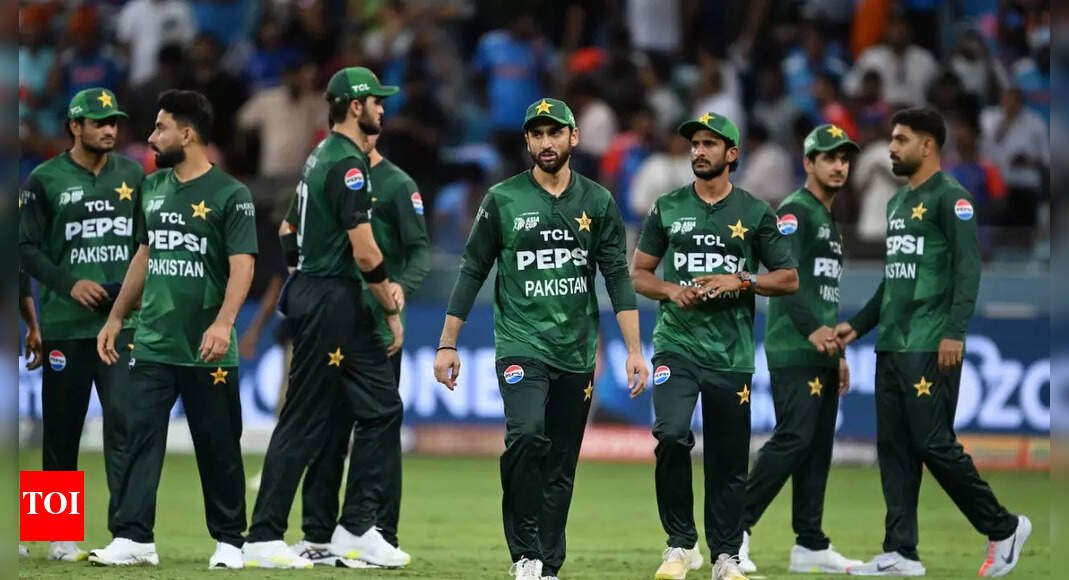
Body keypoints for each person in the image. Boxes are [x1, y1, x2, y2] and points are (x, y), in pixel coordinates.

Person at [433, 97, 649, 580]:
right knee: (527, 436)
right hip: (520, 344)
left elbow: (617, 277)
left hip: (577, 351)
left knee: (561, 462)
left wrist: (635, 350)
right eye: (537, 134)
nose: (546, 142)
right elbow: (471, 272)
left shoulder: (598, 202)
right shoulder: (503, 200)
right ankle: (524, 554)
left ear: (574, 137)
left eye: (555, 133)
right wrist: (447, 343)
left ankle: (547, 565)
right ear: (527, 141)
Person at [836, 107, 1031, 577]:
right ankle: (900, 552)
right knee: (895, 450)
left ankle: (1004, 526)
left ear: (927, 145)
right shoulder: (897, 204)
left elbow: (968, 269)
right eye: (892, 139)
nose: (891, 147)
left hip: (929, 341)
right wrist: (857, 326)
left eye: (901, 139)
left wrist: (954, 332)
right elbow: (894, 280)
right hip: (892, 343)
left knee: (933, 443)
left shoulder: (952, 199)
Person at [242, 67, 408, 570]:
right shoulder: (349, 165)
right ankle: (263, 536)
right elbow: (365, 251)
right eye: (376, 100)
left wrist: (305, 273)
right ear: (355, 107)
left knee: (382, 408)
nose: (382, 108)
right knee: (306, 417)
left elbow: (288, 231)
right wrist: (388, 306)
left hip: (326, 295)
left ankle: (353, 528)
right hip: (335, 297)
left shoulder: (320, 156)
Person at [90, 89, 257, 569]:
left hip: (207, 347)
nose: (151, 137)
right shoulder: (152, 187)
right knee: (134, 438)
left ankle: (230, 541)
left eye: (160, 127)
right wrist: (117, 316)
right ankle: (131, 537)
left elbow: (243, 265)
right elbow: (144, 256)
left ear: (187, 134)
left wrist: (224, 323)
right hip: (151, 341)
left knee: (218, 445)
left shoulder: (231, 195)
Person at [631, 112, 799, 580]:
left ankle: (725, 556)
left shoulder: (755, 212)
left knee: (727, 459)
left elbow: (788, 278)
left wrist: (740, 280)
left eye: (709, 144)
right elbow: (639, 273)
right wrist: (670, 290)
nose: (699, 151)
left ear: (732, 153)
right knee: (670, 435)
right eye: (695, 144)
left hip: (731, 352)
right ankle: (681, 544)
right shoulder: (667, 207)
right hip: (676, 344)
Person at [292, 130, 430, 564]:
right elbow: (292, 229)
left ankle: (379, 530)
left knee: (381, 427)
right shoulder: (333, 172)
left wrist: (400, 289)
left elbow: (419, 251)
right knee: (328, 431)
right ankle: (318, 536)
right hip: (334, 322)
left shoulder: (398, 185)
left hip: (377, 329)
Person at [18, 87, 143, 563]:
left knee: (126, 427)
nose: (109, 129)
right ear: (75, 126)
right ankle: (56, 536)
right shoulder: (44, 179)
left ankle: (128, 535)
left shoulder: (133, 174)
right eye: (99, 122)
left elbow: (145, 245)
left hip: (121, 323)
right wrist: (69, 285)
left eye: (113, 121)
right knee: (62, 430)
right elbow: (25, 248)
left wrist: (127, 297)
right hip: (66, 325)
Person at [738, 124, 865, 575]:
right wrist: (812, 331)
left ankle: (810, 543)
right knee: (794, 438)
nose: (839, 166)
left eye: (844, 158)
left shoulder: (828, 221)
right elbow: (783, 277)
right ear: (809, 163)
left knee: (817, 446)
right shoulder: (796, 210)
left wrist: (838, 352)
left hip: (821, 349)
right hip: (793, 346)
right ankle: (735, 529)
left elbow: (823, 292)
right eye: (829, 157)